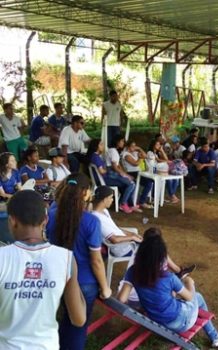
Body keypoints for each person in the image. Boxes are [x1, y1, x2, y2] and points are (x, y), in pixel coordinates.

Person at [117, 227, 218, 348]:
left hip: (156, 321)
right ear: (162, 256)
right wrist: (190, 282)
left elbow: (121, 299)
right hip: (180, 322)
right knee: (197, 297)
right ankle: (215, 336)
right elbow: (189, 297)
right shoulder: (168, 277)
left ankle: (215, 336)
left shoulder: (133, 271)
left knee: (176, 299)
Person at [0, 190, 86, 350]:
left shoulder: (2, 257)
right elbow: (79, 319)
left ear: (12, 221)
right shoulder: (66, 258)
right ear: (45, 220)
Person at [46, 173, 112, 350]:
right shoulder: (91, 221)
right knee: (77, 326)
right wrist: (105, 287)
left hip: (57, 277)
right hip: (84, 282)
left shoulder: (51, 214)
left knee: (63, 317)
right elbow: (96, 261)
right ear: (85, 193)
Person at [88, 138, 137, 213]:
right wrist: (108, 169)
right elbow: (102, 171)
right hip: (104, 179)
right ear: (96, 146)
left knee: (128, 183)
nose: (103, 146)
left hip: (103, 178)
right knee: (130, 183)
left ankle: (125, 203)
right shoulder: (96, 157)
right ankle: (123, 204)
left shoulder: (95, 156)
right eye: (101, 144)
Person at [122, 140, 153, 209]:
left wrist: (139, 149)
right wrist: (139, 158)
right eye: (132, 146)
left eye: (134, 146)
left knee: (149, 182)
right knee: (148, 182)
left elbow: (145, 156)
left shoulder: (135, 152)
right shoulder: (126, 154)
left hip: (138, 172)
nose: (134, 147)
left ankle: (142, 201)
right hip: (131, 173)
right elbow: (135, 164)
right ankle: (142, 202)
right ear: (127, 147)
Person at [147, 140, 179, 204]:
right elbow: (158, 161)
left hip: (160, 171)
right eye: (157, 144)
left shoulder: (156, 153)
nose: (159, 146)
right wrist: (166, 161)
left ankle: (171, 195)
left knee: (176, 179)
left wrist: (161, 150)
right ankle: (172, 196)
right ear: (153, 145)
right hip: (153, 171)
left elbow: (165, 158)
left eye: (159, 145)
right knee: (169, 180)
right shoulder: (150, 153)